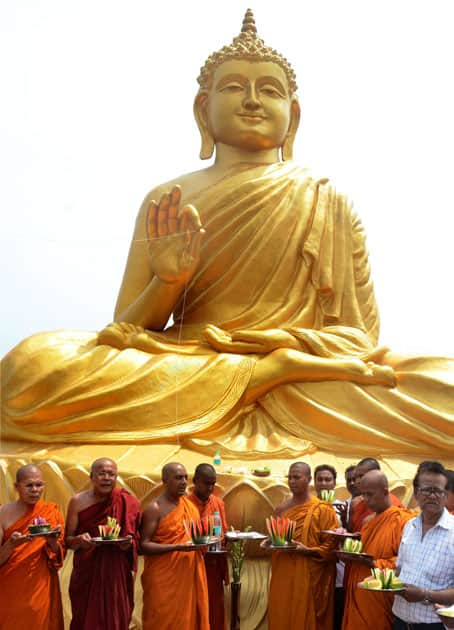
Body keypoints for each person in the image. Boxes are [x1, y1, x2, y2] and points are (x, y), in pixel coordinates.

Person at [2, 10, 453, 469]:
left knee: (441, 385)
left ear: (292, 116)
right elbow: (124, 333)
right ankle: (262, 376)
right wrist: (168, 281)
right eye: (235, 87)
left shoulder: (326, 198)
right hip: (190, 365)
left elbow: (357, 339)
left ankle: (269, 373)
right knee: (27, 369)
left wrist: (277, 347)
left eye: (270, 91)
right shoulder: (168, 199)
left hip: (305, 377)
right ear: (203, 108)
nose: (253, 101)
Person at [65, 457, 141, 630]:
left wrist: (128, 544)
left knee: (116, 617)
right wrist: (79, 540)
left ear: (116, 477)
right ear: (91, 477)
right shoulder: (78, 501)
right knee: (85, 619)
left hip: (116, 572)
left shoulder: (128, 501)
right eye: (102, 474)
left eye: (111, 474)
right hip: (87, 571)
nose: (107, 478)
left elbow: (137, 540)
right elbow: (68, 541)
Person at [266, 462, 338, 629]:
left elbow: (331, 546)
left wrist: (308, 551)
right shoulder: (281, 509)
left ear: (308, 479)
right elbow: (277, 539)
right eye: (290, 477)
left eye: (296, 477)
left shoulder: (322, 509)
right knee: (282, 613)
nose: (292, 481)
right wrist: (269, 542)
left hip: (310, 576)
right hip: (284, 573)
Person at [140, 462, 210, 630]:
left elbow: (194, 537)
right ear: (164, 481)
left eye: (186, 477)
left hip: (187, 575)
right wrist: (176, 547)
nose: (184, 482)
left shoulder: (190, 507)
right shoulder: (154, 508)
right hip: (162, 578)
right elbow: (143, 545)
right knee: (161, 619)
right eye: (178, 478)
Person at [341, 470, 413, 630]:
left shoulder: (402, 520)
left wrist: (373, 563)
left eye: (370, 495)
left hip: (380, 596)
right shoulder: (367, 521)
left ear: (386, 492)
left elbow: (406, 561)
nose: (365, 500)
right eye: (363, 494)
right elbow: (369, 549)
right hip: (359, 590)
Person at [0, 464, 65, 629]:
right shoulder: (3, 513)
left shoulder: (50, 512)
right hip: (10, 587)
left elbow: (58, 557)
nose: (35, 489)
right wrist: (11, 544)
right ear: (16, 487)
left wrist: (51, 541)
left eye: (39, 485)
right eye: (29, 485)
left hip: (39, 586)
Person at [392, 461, 454, 629]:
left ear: (446, 495)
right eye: (427, 489)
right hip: (399, 621)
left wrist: (425, 595)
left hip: (433, 626)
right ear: (416, 493)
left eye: (439, 491)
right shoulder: (409, 526)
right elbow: (400, 570)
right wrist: (383, 581)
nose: (432, 496)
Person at [187, 463, 229, 630]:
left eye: (213, 483)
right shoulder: (185, 504)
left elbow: (223, 531)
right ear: (195, 481)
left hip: (213, 565)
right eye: (206, 483)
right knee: (193, 608)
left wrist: (226, 540)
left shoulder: (218, 503)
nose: (210, 488)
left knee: (214, 609)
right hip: (191, 565)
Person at [314, 464, 346, 630]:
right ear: (314, 483)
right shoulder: (309, 507)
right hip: (314, 568)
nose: (324, 483)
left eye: (328, 479)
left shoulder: (342, 508)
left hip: (338, 570)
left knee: (335, 616)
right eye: (320, 479)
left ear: (334, 483)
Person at [350, 458, 404, 531]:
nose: (357, 481)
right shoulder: (359, 503)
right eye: (356, 477)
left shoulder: (393, 506)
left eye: (361, 476)